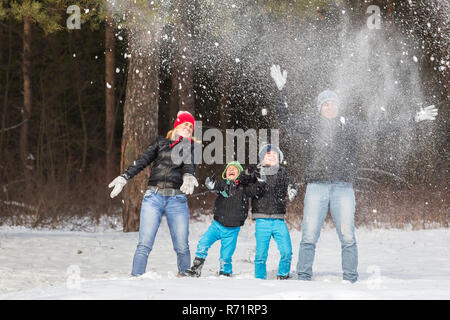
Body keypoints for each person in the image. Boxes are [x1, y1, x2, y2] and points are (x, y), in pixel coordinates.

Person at [270, 64, 438, 283]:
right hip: (316, 188)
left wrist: (414, 118)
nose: (330, 107)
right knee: (309, 236)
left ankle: (350, 280)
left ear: (339, 107)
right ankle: (303, 278)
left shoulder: (349, 126)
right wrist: (281, 90)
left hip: (343, 189)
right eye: (325, 104)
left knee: (347, 237)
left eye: (333, 104)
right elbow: (285, 118)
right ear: (319, 108)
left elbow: (381, 128)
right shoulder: (312, 125)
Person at [108, 111, 200, 277]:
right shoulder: (161, 142)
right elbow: (142, 161)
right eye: (185, 124)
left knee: (182, 246)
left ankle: (186, 279)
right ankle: (136, 279)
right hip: (153, 197)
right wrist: (124, 177)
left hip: (176, 199)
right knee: (144, 245)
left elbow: (190, 165)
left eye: (191, 126)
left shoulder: (191, 148)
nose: (188, 127)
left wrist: (188, 176)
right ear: (177, 125)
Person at [185, 161, 265, 277]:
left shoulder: (244, 188)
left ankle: (225, 272)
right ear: (225, 174)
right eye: (229, 169)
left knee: (226, 255)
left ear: (240, 174)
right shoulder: (223, 184)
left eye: (235, 169)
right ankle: (196, 269)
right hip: (217, 225)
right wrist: (211, 185)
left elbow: (256, 191)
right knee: (203, 244)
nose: (231, 170)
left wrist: (260, 181)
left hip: (232, 230)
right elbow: (216, 188)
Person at [251, 143, 298, 280]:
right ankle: (259, 278)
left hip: (279, 219)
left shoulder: (282, 173)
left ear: (279, 158)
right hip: (262, 219)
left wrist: (292, 189)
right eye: (268, 154)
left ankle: (283, 275)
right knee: (260, 254)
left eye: (275, 155)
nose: (271, 156)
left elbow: (291, 184)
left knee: (287, 251)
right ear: (261, 158)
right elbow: (250, 190)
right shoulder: (256, 172)